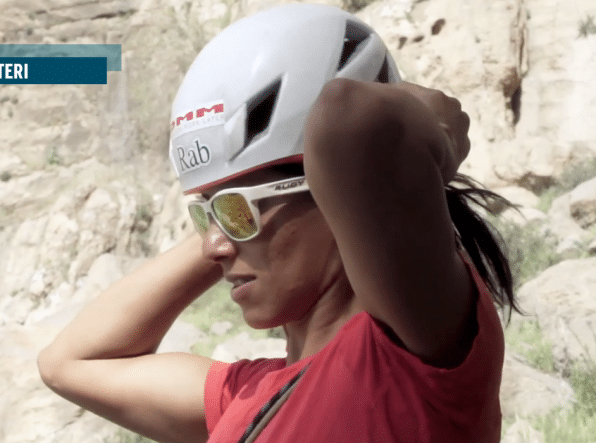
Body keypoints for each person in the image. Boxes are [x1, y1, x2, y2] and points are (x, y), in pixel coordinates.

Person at [38, 4, 522, 443]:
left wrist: (434, 132)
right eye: (205, 215)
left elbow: (348, 116)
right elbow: (71, 363)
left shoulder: (411, 351)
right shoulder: (247, 397)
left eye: (238, 209)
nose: (212, 247)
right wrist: (227, 210)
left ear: (334, 196)